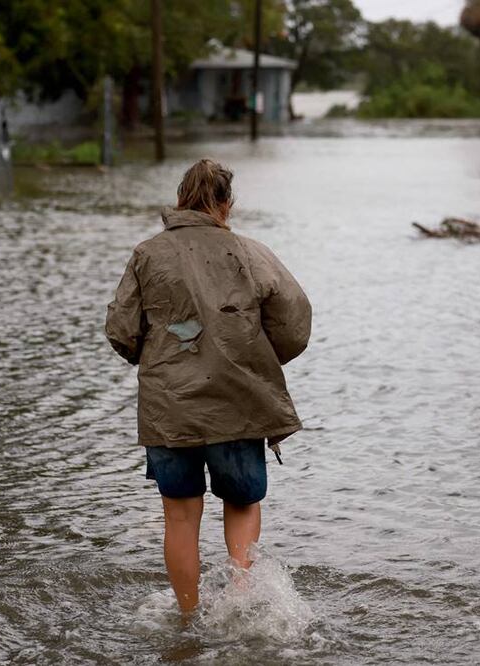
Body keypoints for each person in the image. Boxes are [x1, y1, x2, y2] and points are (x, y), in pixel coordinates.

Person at [105, 158, 311, 616]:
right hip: (238, 402)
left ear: (180, 199)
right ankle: (238, 609)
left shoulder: (146, 254)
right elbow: (295, 323)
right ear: (226, 204)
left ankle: (186, 618)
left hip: (168, 408)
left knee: (179, 516)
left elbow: (121, 331)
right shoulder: (250, 253)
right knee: (241, 502)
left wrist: (161, 359)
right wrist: (253, 357)